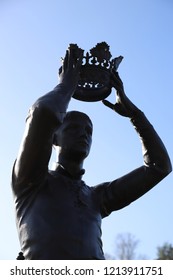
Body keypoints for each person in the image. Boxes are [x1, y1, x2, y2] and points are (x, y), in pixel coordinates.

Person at [12, 44, 172, 260]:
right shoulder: (31, 181)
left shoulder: (96, 197)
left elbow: (159, 166)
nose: (84, 134)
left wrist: (135, 115)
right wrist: (66, 86)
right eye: (74, 128)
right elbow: (43, 113)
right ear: (54, 137)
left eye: (89, 130)